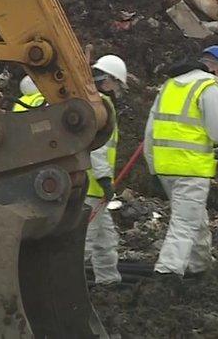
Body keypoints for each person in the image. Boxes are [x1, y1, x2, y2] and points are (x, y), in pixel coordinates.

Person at [145, 45, 218, 279]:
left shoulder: (169, 86)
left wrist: (153, 167)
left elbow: (150, 132)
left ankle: (199, 269)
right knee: (184, 224)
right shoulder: (209, 87)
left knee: (196, 220)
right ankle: (166, 275)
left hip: (166, 167)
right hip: (190, 168)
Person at [84, 54, 127, 286]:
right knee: (84, 241)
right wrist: (103, 178)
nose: (118, 89)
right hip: (89, 186)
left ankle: (109, 282)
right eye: (117, 83)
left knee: (105, 239)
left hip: (93, 189)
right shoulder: (99, 106)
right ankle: (67, 286)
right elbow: (97, 146)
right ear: (108, 79)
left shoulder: (91, 102)